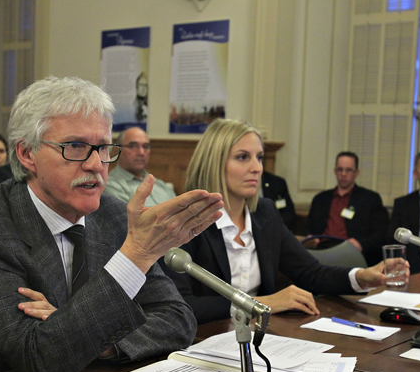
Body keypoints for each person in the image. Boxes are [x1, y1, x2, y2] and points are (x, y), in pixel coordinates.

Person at [0, 76, 223, 372]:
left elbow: (177, 320)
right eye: (76, 147)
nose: (96, 164)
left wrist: (95, 339)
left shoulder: (114, 215)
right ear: (27, 154)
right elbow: (41, 357)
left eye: (104, 148)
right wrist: (135, 257)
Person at [159, 119, 402, 324]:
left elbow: (310, 272)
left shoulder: (265, 213)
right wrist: (259, 304)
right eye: (243, 157)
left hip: (262, 337)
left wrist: (361, 277)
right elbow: (181, 306)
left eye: (260, 157)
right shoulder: (183, 222)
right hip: (205, 341)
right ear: (214, 163)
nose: (257, 168)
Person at [304, 152, 389, 265]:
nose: (343, 174)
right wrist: (309, 238)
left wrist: (361, 244)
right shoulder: (320, 199)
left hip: (350, 252)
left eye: (348, 170)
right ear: (335, 171)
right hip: (322, 249)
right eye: (340, 169)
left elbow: (380, 234)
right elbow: (307, 227)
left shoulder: (370, 199)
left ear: (356, 173)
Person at [104, 127, 176, 206]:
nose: (141, 152)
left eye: (145, 146)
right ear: (118, 150)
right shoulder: (110, 185)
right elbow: (127, 217)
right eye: (132, 146)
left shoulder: (162, 186)